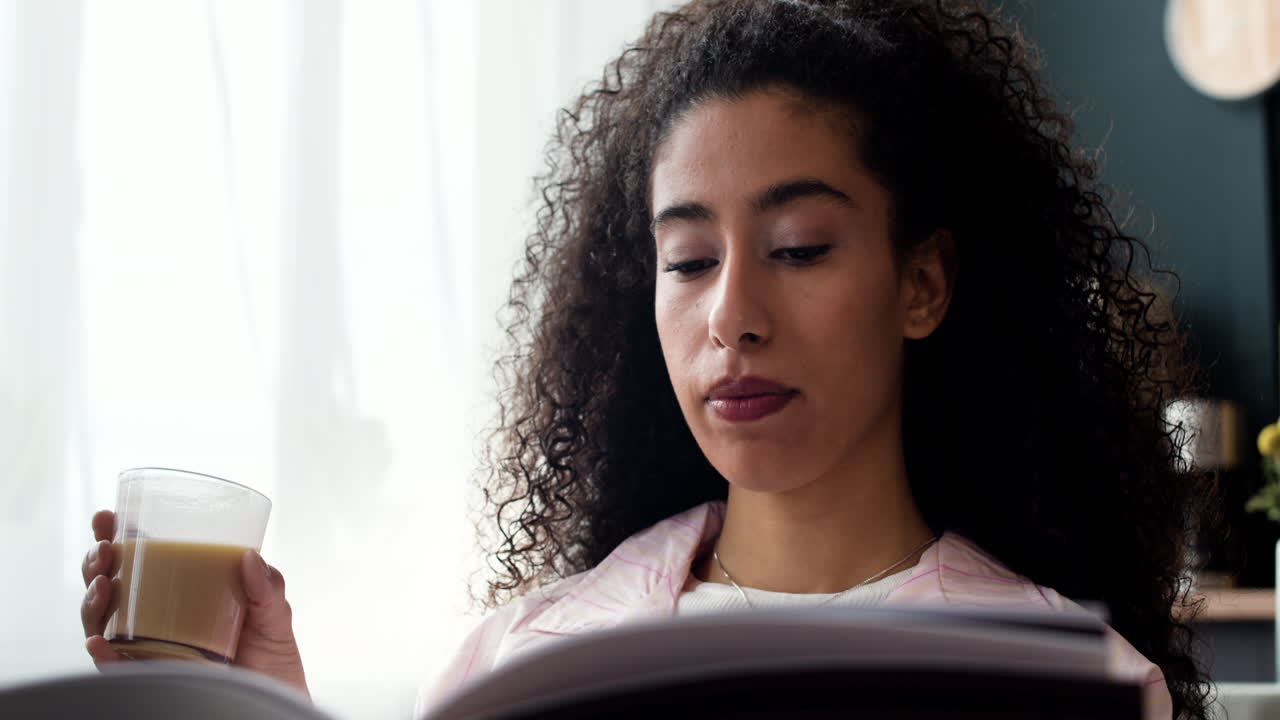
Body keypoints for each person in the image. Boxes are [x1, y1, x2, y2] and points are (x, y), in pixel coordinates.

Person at [79, 1, 1218, 718]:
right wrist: (260, 704)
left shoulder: (1084, 685)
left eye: (797, 247)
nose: (732, 314)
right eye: (685, 261)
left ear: (920, 282)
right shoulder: (532, 651)